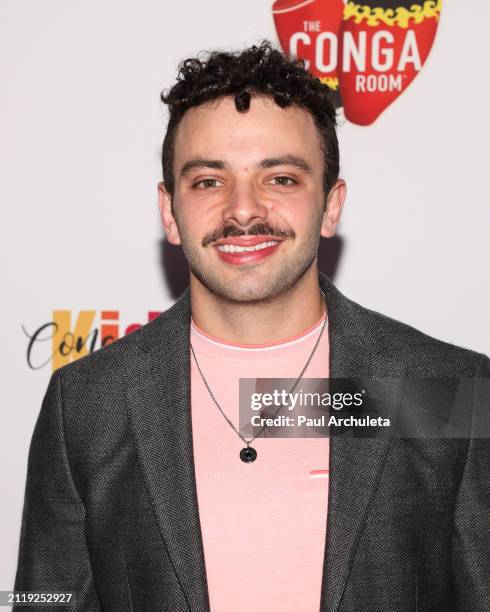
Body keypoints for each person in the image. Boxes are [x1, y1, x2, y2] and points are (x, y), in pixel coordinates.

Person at [14, 41, 489, 611]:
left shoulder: (449, 391)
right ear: (169, 211)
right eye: (209, 181)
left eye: (281, 178)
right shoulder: (88, 404)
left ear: (331, 205)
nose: (243, 210)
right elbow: (46, 602)